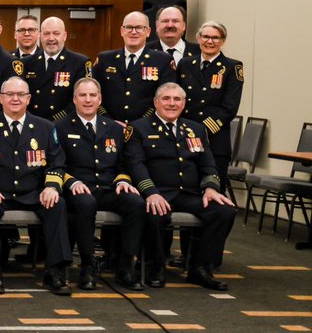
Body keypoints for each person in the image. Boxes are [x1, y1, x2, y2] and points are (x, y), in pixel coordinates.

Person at [125, 82, 236, 290]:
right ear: (156, 102)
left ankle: (201, 267)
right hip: (159, 192)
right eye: (166, 99)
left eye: (177, 99)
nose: (171, 103)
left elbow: (207, 163)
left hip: (190, 195)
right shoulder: (138, 127)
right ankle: (155, 266)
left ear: (184, 104)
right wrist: (150, 192)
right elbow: (135, 164)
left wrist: (211, 188)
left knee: (224, 211)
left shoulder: (196, 129)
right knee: (153, 213)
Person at [0, 77, 72, 295]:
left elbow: (57, 163)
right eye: (9, 94)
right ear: (0, 98)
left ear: (28, 99)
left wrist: (52, 187)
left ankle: (55, 271)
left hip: (34, 192)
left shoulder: (45, 127)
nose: (15, 99)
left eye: (21, 95)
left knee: (58, 204)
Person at [55, 77, 146, 291]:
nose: (88, 100)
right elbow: (56, 163)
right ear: (74, 99)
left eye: (92, 95)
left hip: (108, 188)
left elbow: (125, 163)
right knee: (86, 204)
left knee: (136, 203)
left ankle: (124, 265)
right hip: (77, 188)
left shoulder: (113, 128)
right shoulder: (60, 127)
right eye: (83, 95)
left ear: (100, 99)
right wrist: (71, 181)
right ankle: (88, 264)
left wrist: (123, 180)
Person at [178, 21, 242, 192]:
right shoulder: (185, 64)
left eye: (215, 38)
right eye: (206, 36)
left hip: (215, 139)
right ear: (199, 38)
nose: (210, 41)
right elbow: (177, 100)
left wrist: (202, 129)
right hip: (186, 137)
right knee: (188, 189)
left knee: (213, 191)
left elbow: (230, 107)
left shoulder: (232, 67)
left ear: (223, 41)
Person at [92, 11, 176, 122]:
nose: (133, 32)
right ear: (122, 31)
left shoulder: (163, 60)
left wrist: (140, 124)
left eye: (139, 28)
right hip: (109, 126)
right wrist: (109, 121)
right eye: (129, 27)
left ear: (148, 32)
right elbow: (93, 94)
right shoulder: (104, 59)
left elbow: (164, 98)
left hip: (147, 127)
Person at [20, 17, 89, 121]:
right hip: (32, 123)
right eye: (46, 33)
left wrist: (55, 121)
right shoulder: (27, 63)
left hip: (64, 124)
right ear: (40, 35)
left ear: (64, 36)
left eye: (56, 33)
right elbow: (21, 95)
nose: (51, 38)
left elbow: (79, 100)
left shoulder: (79, 62)